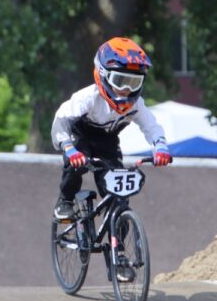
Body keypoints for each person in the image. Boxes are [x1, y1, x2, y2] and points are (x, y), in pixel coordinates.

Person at [51, 37, 171, 278]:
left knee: (119, 203)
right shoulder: (87, 98)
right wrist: (69, 148)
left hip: (107, 142)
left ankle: (120, 257)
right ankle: (65, 201)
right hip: (80, 135)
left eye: (133, 83)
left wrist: (160, 147)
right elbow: (60, 121)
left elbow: (152, 127)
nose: (126, 90)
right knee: (77, 166)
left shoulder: (137, 105)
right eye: (120, 81)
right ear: (103, 76)